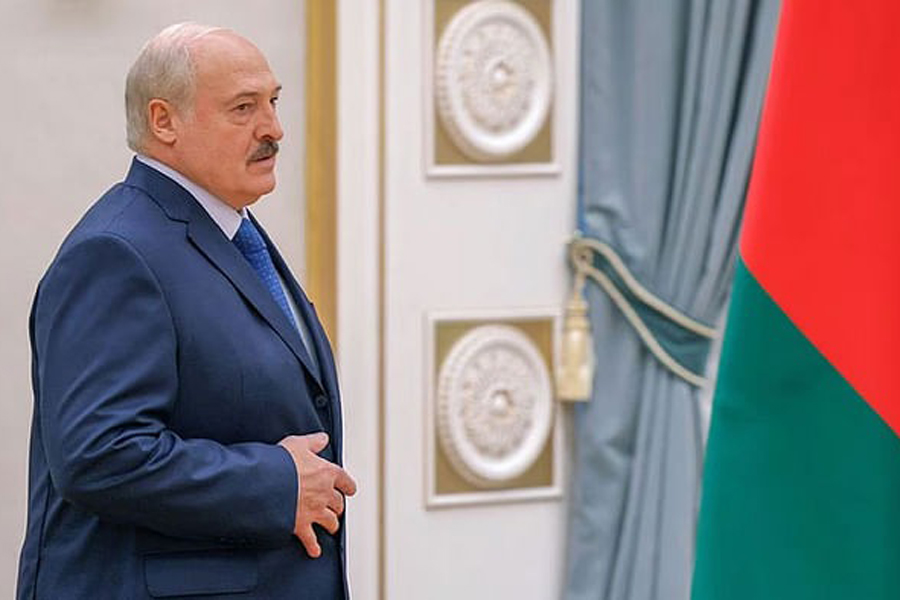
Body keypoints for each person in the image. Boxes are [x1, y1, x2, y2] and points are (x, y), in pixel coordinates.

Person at [16, 22, 356, 599]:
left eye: (272, 102)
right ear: (163, 121)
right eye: (243, 108)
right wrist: (274, 485)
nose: (273, 129)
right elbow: (98, 454)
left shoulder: (230, 229)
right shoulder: (116, 252)